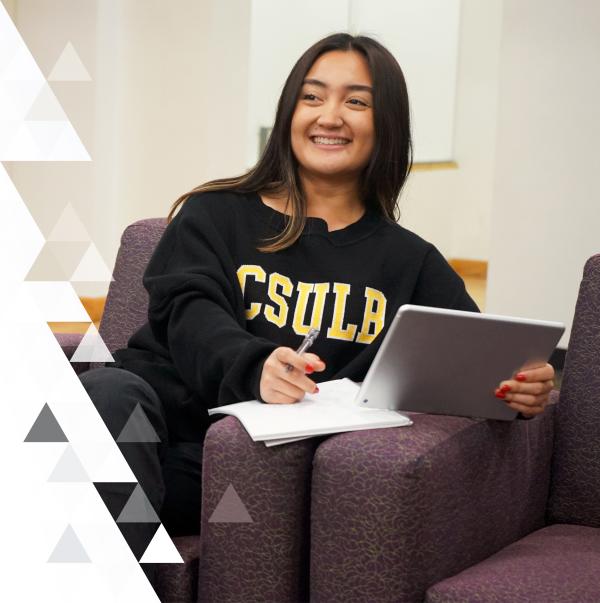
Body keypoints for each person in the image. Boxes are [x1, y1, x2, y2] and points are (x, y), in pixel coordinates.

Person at [80, 33, 555, 560]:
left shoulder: (409, 261)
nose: (329, 116)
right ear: (289, 113)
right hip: (161, 426)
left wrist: (517, 387)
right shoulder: (213, 213)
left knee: (248, 482)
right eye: (312, 97)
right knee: (106, 398)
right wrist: (254, 365)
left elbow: (468, 355)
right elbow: (189, 313)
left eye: (356, 101)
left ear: (387, 126)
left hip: (254, 465)